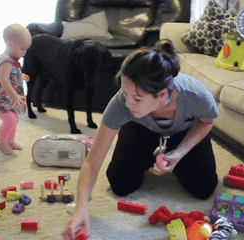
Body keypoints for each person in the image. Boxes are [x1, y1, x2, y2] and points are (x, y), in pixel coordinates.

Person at [62, 39, 220, 239]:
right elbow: (92, 162)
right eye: (125, 93)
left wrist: (179, 153)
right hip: (139, 129)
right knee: (119, 184)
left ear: (162, 94)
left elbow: (207, 122)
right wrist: (81, 208)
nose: (128, 103)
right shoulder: (121, 103)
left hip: (184, 133)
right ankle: (149, 158)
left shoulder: (195, 95)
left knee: (204, 187)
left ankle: (172, 161)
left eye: (137, 99)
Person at [0, 24, 32, 155]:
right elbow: (3, 80)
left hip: (7, 97)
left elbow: (10, 75)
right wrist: (14, 96)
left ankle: (10, 140)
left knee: (15, 118)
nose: (25, 52)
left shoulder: (13, 59)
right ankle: (1, 142)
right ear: (10, 44)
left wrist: (20, 76)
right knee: (10, 120)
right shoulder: (6, 61)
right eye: (22, 49)